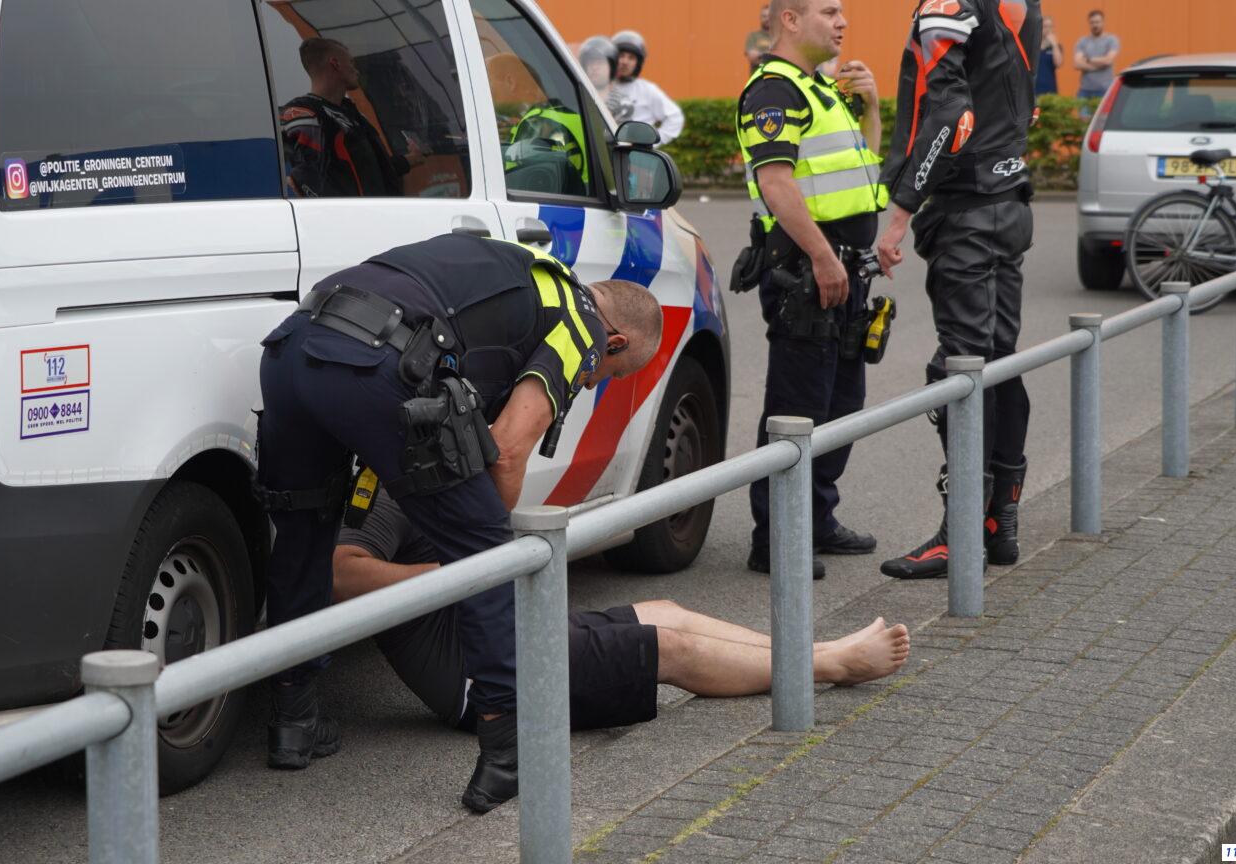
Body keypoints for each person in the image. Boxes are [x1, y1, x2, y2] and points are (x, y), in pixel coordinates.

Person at [256, 233, 664, 814]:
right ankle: (507, 754)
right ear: (614, 340)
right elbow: (511, 443)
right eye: (613, 373)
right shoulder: (580, 324)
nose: (597, 382)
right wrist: (485, 536)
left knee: (302, 533)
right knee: (489, 558)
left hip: (293, 349)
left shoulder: (520, 273)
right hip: (374, 362)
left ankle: (293, 722)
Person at [335, 489, 913, 732]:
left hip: (508, 633)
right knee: (670, 649)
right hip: (483, 678)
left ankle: (819, 650)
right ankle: (833, 668)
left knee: (666, 610)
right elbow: (340, 575)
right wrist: (461, 576)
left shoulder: (433, 479)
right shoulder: (384, 491)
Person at [874, 0, 1040, 580]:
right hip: (1008, 203)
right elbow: (1022, 101)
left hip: (968, 212)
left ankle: (961, 533)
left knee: (962, 370)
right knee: (996, 360)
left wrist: (899, 214)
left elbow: (950, 116)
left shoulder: (948, 5)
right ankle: (999, 524)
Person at [733, 0, 888, 580]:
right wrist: (823, 257)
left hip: (844, 270)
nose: (843, 22)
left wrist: (870, 108)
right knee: (797, 410)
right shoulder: (774, 91)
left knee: (841, 405)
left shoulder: (822, 89)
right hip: (807, 272)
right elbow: (776, 185)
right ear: (791, 20)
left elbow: (861, 173)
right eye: (829, 11)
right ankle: (775, 540)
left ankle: (816, 520)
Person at [279, 37, 424, 197]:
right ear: (335, 63)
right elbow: (308, 178)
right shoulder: (305, 113)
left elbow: (369, 172)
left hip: (380, 213)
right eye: (352, 63)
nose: (357, 70)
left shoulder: (350, 112)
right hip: (352, 218)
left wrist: (411, 159)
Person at [608, 30, 685, 145]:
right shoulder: (601, 86)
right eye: (621, 56)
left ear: (637, 64)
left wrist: (652, 143)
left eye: (631, 58)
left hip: (634, 157)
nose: (625, 61)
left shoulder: (647, 90)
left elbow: (675, 117)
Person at [579, 35, 633, 122]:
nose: (594, 67)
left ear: (612, 67)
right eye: (590, 62)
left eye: (600, 62)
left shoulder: (623, 104)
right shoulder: (577, 95)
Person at [1073, 10, 1119, 101]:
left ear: (1103, 22)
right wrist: (1099, 66)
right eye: (1092, 22)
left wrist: (1088, 59)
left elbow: (1108, 60)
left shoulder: (1111, 40)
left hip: (1105, 90)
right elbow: (1077, 64)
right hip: (1085, 90)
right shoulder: (1082, 41)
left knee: (1103, 116)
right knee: (1083, 116)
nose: (1095, 25)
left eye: (1097, 22)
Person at [1035, 16, 1062, 96]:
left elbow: (1058, 63)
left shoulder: (1057, 46)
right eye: (1045, 26)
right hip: (1034, 88)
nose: (1048, 29)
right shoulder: (1033, 46)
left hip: (1050, 88)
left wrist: (1054, 45)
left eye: (1050, 26)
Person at [745, 5, 774, 70]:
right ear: (760, 18)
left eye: (770, 16)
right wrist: (773, 56)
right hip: (758, 77)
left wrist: (760, 55)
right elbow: (753, 58)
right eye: (764, 16)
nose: (767, 19)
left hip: (777, 77)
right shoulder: (753, 36)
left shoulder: (779, 36)